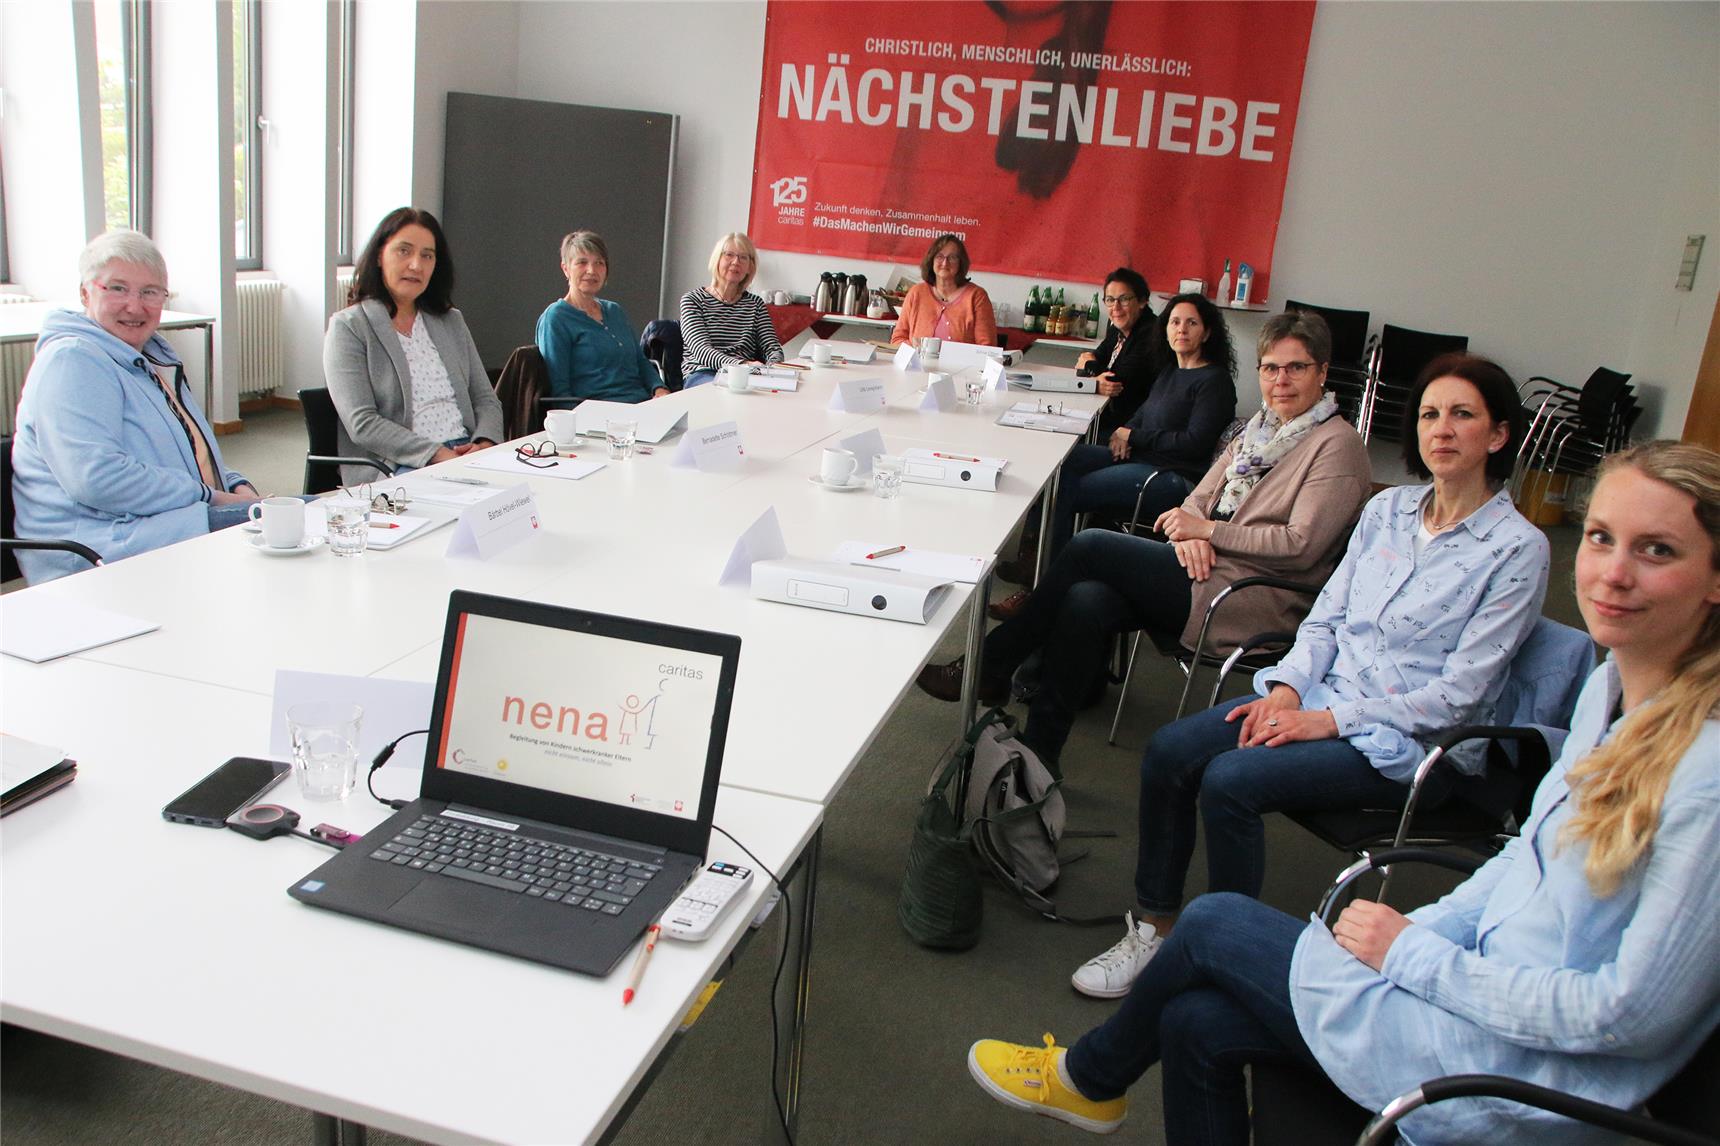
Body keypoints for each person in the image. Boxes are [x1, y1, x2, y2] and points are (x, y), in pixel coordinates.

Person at [965, 440, 1720, 1145]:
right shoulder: (1613, 693)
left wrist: (1415, 959)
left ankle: (1085, 1078)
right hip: (1472, 995)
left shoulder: (1706, 773)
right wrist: (1421, 935)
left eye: (1657, 550)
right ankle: (1101, 1068)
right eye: (1600, 538)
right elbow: (1526, 856)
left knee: (1217, 924)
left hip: (1513, 1072)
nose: (1614, 573)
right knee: (1196, 1022)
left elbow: (1627, 1016)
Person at [1066, 352, 1548, 1001]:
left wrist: (1323, 720)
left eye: (1463, 415)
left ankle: (1220, 958)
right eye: (1430, 413)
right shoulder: (1390, 511)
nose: (1442, 428)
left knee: (1230, 779)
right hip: (1315, 700)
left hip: (1409, 744)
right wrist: (1290, 689)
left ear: (1497, 435)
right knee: (1169, 751)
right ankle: (1157, 926)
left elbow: (1459, 696)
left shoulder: (1518, 548)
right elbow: (1324, 620)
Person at [916, 313, 1371, 777]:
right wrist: (1193, 530)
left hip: (1251, 595)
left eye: (1295, 368)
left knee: (1091, 544)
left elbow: (1301, 546)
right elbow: (1198, 498)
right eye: (1270, 368)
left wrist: (1209, 534)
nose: (1281, 380)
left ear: (1322, 373)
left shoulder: (1338, 446)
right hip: (1202, 569)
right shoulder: (1261, 427)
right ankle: (1038, 760)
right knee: (1085, 599)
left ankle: (991, 665)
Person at [10, 231, 262, 583]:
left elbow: (187, 450)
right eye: (117, 288)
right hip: (101, 547)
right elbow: (96, 479)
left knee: (311, 517)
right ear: (85, 293)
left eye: (149, 292)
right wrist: (210, 496)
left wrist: (236, 486)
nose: (135, 305)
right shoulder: (73, 360)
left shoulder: (151, 358)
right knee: (307, 521)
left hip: (164, 521)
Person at [1037, 292, 1237, 566]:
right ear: (1165, 330)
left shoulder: (1215, 381)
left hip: (1171, 477)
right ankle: (1044, 562)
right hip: (1143, 459)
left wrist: (1134, 435)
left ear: (1206, 333)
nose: (1181, 329)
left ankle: (1052, 571)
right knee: (1060, 463)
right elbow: (1143, 414)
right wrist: (1124, 431)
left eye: (1192, 323)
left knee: (1066, 490)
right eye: (1175, 322)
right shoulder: (1169, 371)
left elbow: (1195, 443)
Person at [323, 207, 504, 486]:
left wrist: (485, 442)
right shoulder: (349, 327)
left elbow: (485, 398)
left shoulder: (450, 321)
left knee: (532, 502)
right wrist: (437, 454)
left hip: (468, 453)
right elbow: (362, 423)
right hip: (399, 464)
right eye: (404, 251)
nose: (416, 265)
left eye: (427, 256)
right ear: (380, 256)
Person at [536, 230, 667, 404]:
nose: (592, 270)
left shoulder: (615, 311)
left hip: (641, 406)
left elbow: (640, 361)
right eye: (582, 262)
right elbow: (560, 392)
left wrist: (659, 388)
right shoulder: (556, 318)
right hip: (597, 415)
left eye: (599, 263)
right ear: (566, 269)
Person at [678, 232, 784, 388]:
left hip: (746, 376)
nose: (736, 262)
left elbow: (772, 347)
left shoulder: (756, 304)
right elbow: (701, 350)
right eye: (729, 255)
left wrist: (772, 368)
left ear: (750, 267)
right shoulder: (692, 300)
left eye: (743, 257)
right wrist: (743, 364)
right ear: (717, 260)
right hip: (704, 373)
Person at [1075, 268, 1159, 437]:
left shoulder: (1151, 334)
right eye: (1110, 300)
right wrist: (1094, 375)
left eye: (1124, 299)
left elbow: (1115, 384)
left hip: (1129, 429)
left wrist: (1091, 369)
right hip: (1106, 415)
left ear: (1142, 301)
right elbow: (1088, 363)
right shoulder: (1118, 329)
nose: (1116, 307)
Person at [889, 233, 997, 348]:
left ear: (961, 263)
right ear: (931, 260)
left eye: (952, 257)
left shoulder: (977, 297)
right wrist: (913, 346)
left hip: (962, 366)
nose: (945, 263)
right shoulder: (916, 293)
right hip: (918, 365)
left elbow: (987, 348)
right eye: (940, 256)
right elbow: (897, 339)